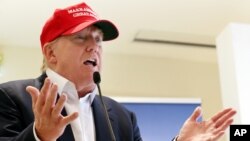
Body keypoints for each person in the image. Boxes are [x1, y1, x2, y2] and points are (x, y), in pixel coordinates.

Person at [0, 2, 236, 141]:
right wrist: (39, 136)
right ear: (51, 53)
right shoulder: (10, 97)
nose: (93, 47)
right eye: (80, 38)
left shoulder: (122, 116)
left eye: (98, 40)